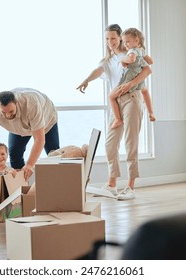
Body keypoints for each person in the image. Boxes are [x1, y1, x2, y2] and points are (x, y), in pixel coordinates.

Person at [77, 24, 152, 200]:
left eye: (113, 38)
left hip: (132, 98)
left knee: (130, 143)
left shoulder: (131, 54)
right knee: (110, 144)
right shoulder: (108, 60)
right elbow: (98, 71)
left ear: (120, 38)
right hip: (116, 101)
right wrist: (87, 80)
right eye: (107, 38)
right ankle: (112, 184)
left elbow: (148, 69)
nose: (110, 42)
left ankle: (130, 187)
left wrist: (131, 84)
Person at [0, 88, 60, 181]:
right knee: (15, 154)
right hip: (18, 127)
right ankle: (19, 188)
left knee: (54, 156)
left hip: (46, 121)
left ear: (17, 103)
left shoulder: (32, 105)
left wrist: (29, 165)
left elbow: (39, 140)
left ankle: (57, 184)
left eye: (11, 111)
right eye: (4, 112)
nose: (8, 115)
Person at [109, 27, 155, 128]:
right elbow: (151, 62)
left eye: (127, 42)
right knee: (145, 91)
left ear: (137, 40)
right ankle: (151, 112)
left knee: (111, 96)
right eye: (124, 42)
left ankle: (117, 119)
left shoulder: (132, 51)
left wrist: (123, 60)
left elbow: (131, 59)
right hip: (139, 77)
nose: (125, 44)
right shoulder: (142, 51)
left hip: (130, 78)